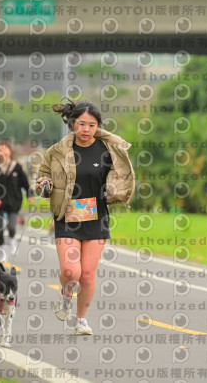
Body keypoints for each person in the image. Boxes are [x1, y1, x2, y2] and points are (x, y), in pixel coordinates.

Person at [36, 98, 135, 335]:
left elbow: (121, 175)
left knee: (87, 275)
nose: (86, 129)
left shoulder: (108, 150)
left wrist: (116, 190)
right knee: (71, 272)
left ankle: (81, 320)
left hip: (96, 217)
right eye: (81, 124)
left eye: (91, 125)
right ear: (72, 124)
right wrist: (44, 184)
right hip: (67, 216)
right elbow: (42, 176)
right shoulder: (57, 151)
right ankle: (66, 293)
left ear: (97, 126)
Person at [0, 141, 34, 260]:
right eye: (0, 150)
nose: (3, 152)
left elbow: (25, 183)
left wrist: (29, 195)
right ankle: (2, 249)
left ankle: (11, 240)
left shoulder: (17, 167)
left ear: (10, 151)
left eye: (5, 149)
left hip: (14, 202)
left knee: (11, 227)